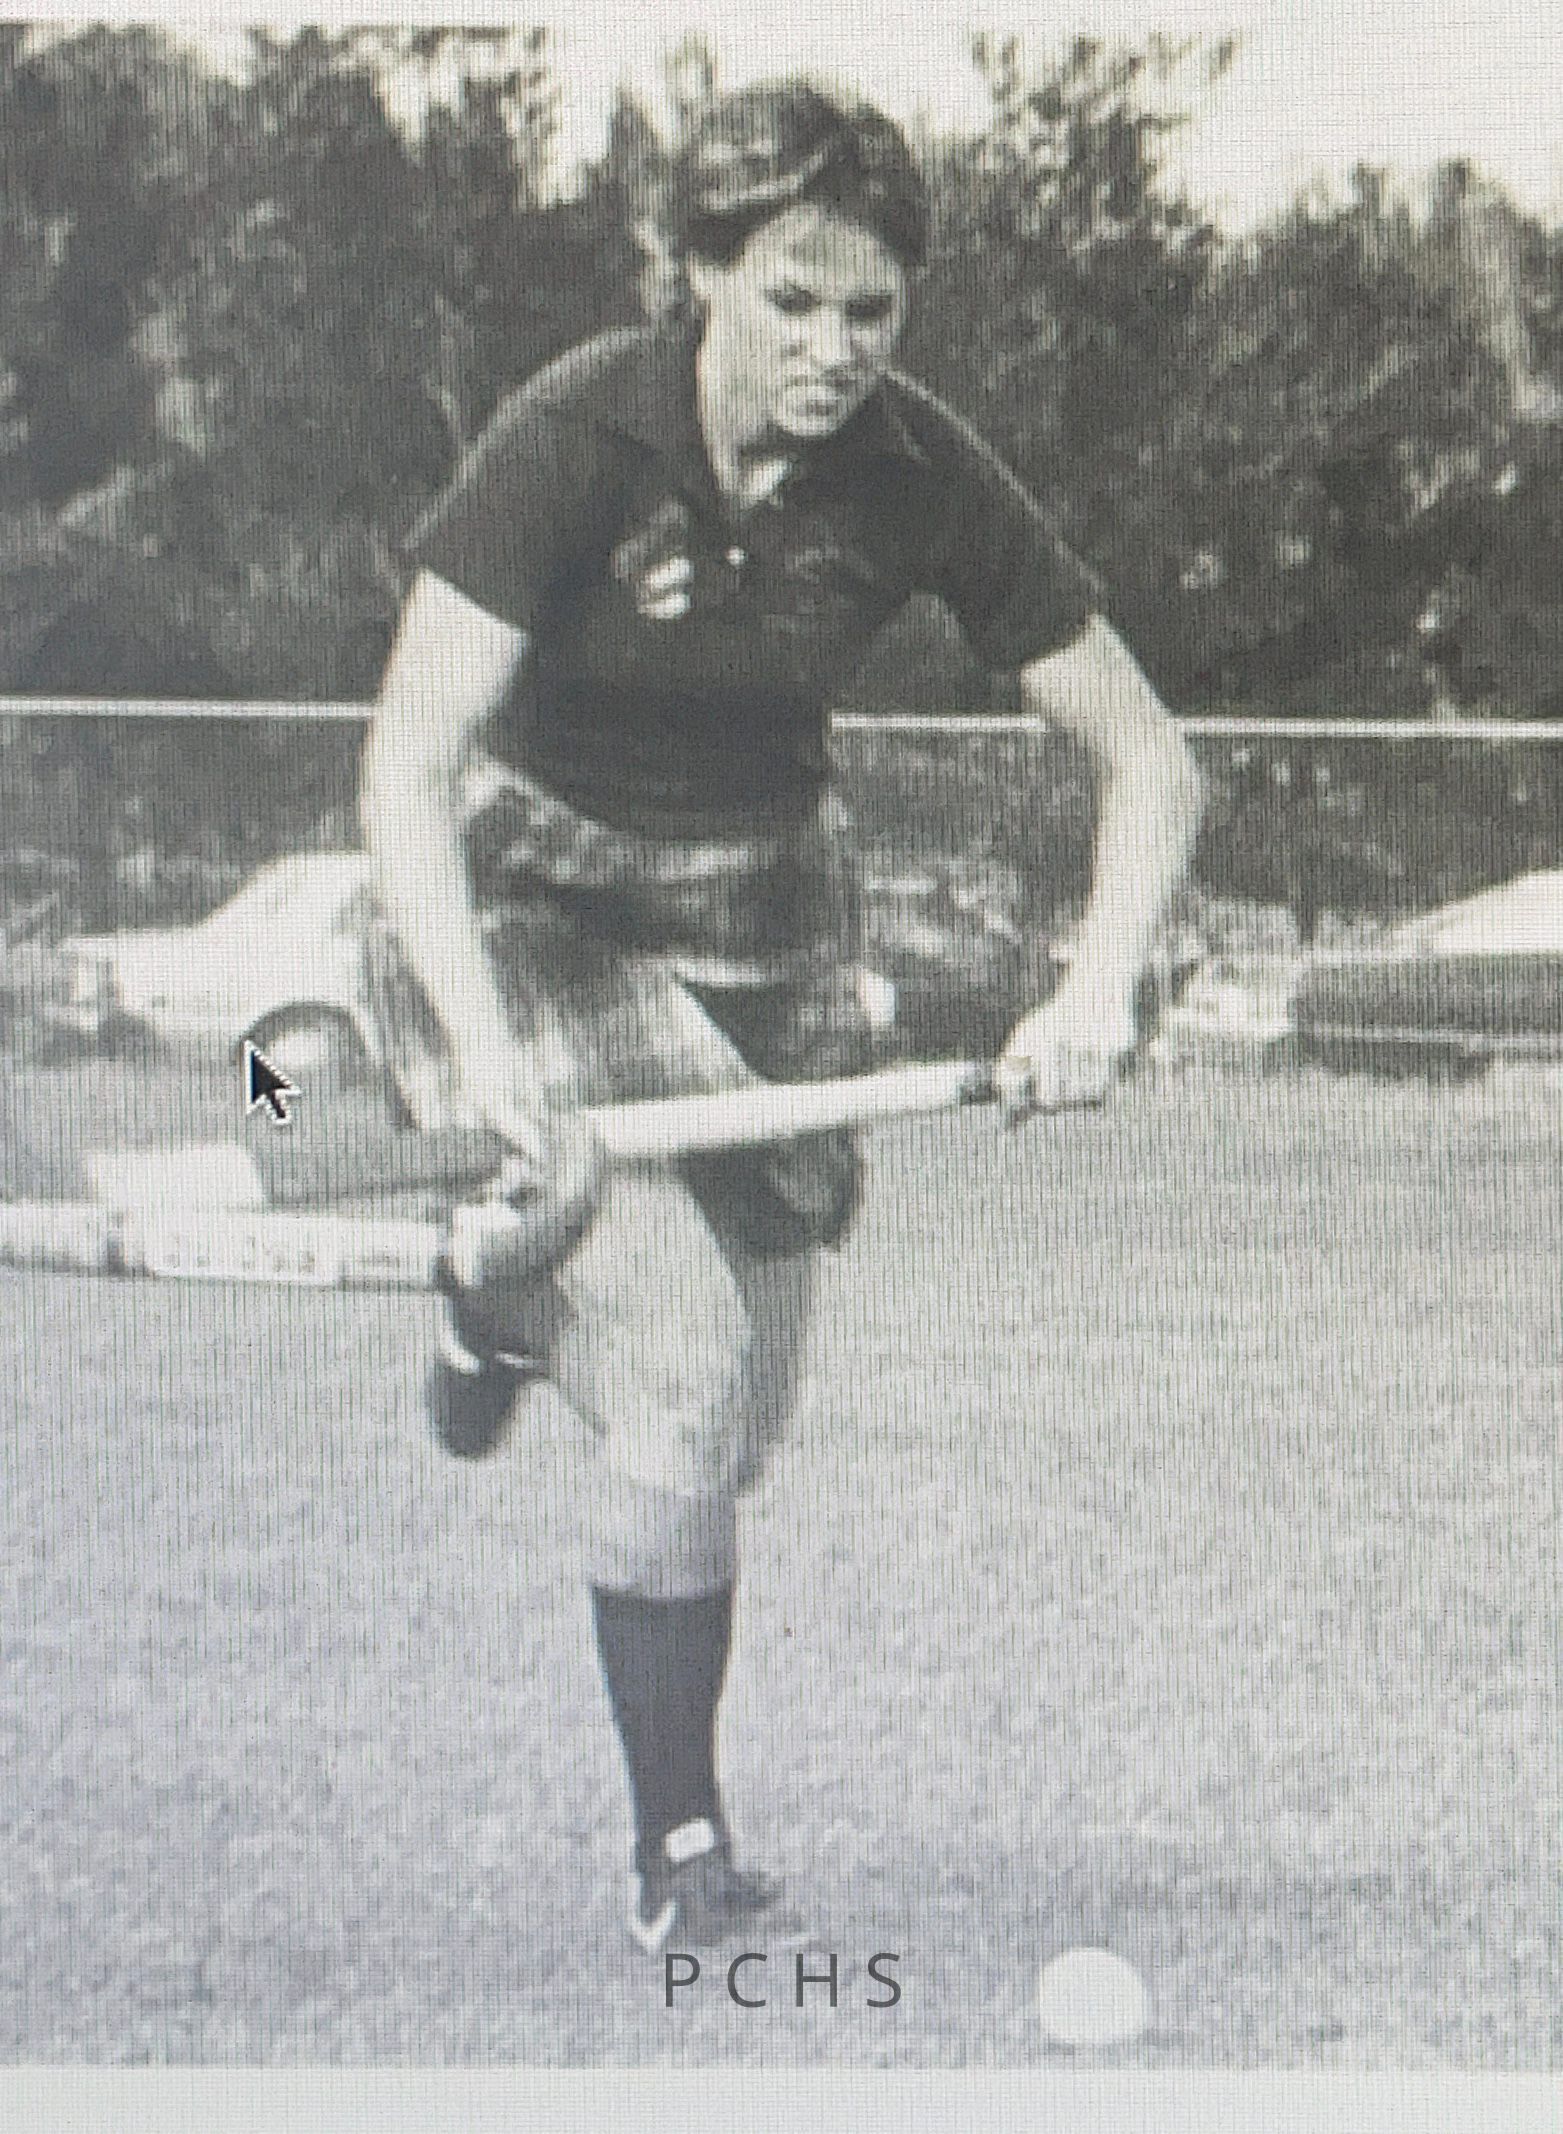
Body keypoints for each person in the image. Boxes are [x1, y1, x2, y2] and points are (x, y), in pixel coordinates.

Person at [361, 78, 1203, 1955]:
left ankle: (500, 1302)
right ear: (702, 275)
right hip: (536, 907)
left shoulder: (918, 471)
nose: (835, 348)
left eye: (872, 309)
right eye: (792, 300)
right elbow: (406, 766)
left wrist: (1095, 981)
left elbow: (1151, 759)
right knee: (680, 1372)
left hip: (765, 914)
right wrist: (486, 1056)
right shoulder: (576, 434)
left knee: (737, 1425)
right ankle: (681, 1856)